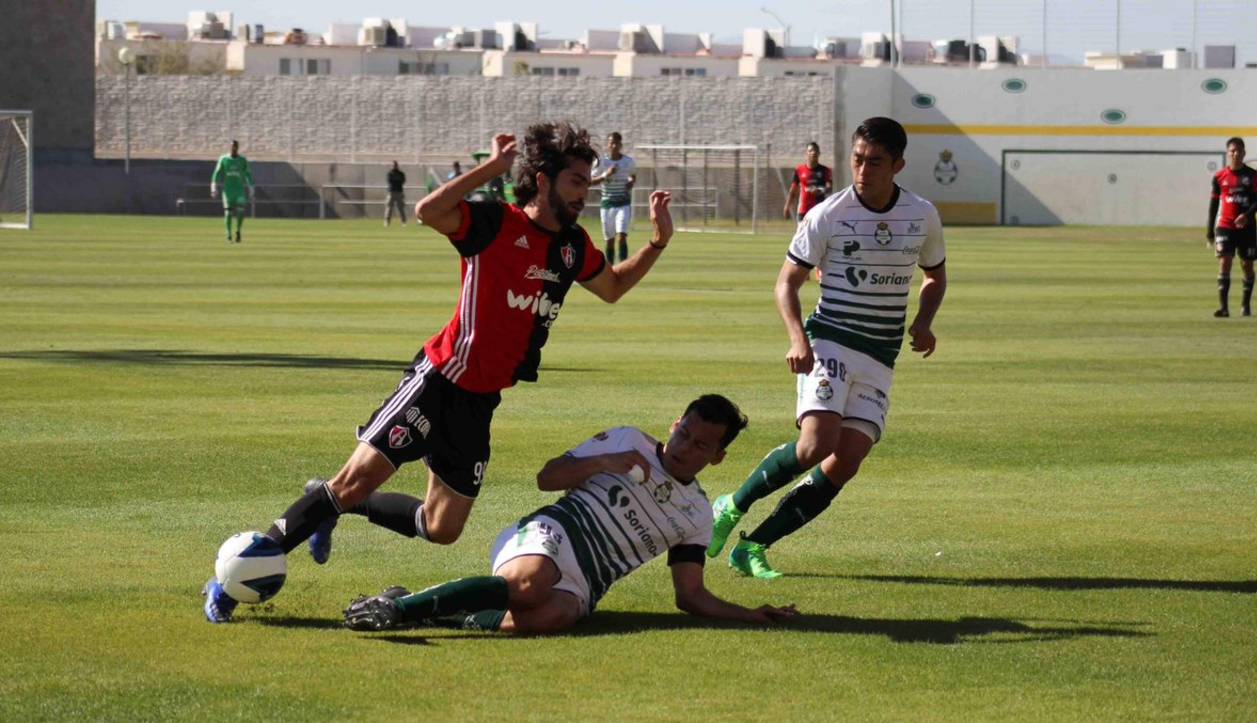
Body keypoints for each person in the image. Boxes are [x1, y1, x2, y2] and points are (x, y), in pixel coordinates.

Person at [204, 122, 676, 622]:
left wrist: (657, 243)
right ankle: (231, 583)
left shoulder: (573, 246)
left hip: (481, 401)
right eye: (576, 181)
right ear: (543, 180)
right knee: (352, 481)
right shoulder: (496, 223)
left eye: (586, 182)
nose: (585, 193)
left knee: (441, 528)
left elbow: (612, 288)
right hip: (437, 381)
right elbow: (429, 211)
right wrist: (492, 168)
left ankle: (337, 504)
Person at [706, 117, 947, 579]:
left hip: (880, 355)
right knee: (816, 444)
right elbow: (787, 282)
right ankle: (731, 506)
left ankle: (753, 546)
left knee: (848, 458)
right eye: (857, 159)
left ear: (898, 165)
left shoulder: (921, 215)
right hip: (831, 339)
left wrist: (924, 322)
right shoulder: (828, 214)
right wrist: (798, 338)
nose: (863, 170)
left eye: (875, 162)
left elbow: (934, 275)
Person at [343, 395, 797, 635]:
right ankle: (395, 609)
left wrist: (750, 615)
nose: (685, 447)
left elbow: (690, 595)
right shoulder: (627, 440)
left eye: (701, 445)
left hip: (588, 579)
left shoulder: (697, 514)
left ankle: (434, 611)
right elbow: (547, 477)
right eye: (684, 434)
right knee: (528, 586)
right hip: (553, 533)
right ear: (675, 424)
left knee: (552, 617)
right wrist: (604, 462)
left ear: (717, 457)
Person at [1208, 136, 1257, 317]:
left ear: (1244, 153)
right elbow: (1213, 205)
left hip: (1247, 228)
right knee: (1225, 262)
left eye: (1238, 151)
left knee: (1247, 265)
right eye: (1232, 151)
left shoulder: (1252, 175)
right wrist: (1209, 231)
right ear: (1228, 153)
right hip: (1225, 225)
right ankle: (1224, 308)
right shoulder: (1219, 177)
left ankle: (1245, 304)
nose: (1235, 154)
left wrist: (1246, 216)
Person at [590, 132, 637, 263]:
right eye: (612, 143)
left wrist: (630, 182)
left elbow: (633, 176)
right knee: (610, 240)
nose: (614, 146)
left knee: (622, 236)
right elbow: (591, 181)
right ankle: (610, 267)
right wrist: (606, 174)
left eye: (617, 143)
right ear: (608, 145)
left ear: (621, 145)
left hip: (623, 203)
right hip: (607, 205)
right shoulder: (601, 162)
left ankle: (623, 266)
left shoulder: (628, 162)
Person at [210, 139, 254, 243]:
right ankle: (228, 234)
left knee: (240, 211)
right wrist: (213, 187)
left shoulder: (243, 160)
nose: (233, 148)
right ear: (229, 147)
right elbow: (216, 173)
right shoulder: (223, 159)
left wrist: (251, 188)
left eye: (235, 146)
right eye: (232, 146)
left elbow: (248, 174)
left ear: (237, 147)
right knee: (228, 212)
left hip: (239, 190)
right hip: (228, 190)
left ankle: (238, 231)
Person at [783, 141, 832, 223]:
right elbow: (793, 191)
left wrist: (820, 190)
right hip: (803, 211)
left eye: (815, 150)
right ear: (806, 153)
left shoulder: (825, 170)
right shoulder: (799, 170)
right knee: (802, 231)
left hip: (819, 210)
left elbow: (829, 188)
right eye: (810, 150)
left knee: (818, 231)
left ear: (819, 153)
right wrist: (787, 207)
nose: (813, 152)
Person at [385, 160, 407, 227]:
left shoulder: (401, 174)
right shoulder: (390, 173)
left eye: (395, 165)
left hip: (399, 192)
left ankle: (403, 222)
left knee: (401, 208)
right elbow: (390, 181)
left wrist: (396, 181)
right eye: (393, 165)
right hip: (391, 192)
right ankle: (387, 222)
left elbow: (402, 181)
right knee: (389, 208)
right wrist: (397, 181)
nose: (394, 166)